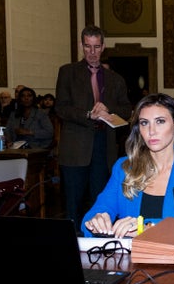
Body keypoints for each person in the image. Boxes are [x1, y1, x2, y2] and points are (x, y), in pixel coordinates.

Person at [82, 94, 174, 238]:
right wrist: (97, 221)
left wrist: (146, 228)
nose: (151, 131)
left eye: (160, 121)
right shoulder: (124, 167)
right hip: (129, 258)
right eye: (144, 123)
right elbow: (99, 210)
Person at [55, 25, 133, 231]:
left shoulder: (115, 79)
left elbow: (126, 110)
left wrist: (108, 109)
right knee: (73, 206)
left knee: (101, 205)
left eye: (96, 47)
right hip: (75, 149)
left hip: (103, 147)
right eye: (88, 47)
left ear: (103, 47)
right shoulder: (67, 72)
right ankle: (70, 249)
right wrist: (88, 114)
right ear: (81, 46)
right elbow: (61, 108)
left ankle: (97, 248)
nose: (92, 52)